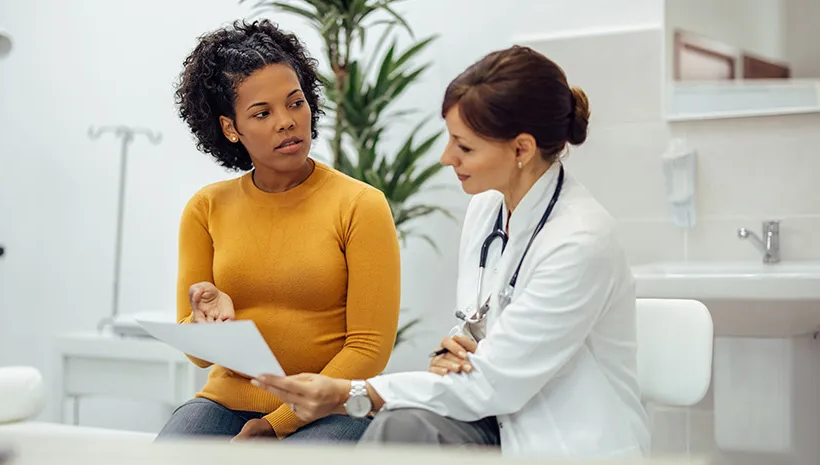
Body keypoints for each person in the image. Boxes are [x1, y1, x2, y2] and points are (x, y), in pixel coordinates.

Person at [252, 45, 651, 459]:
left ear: (521, 150)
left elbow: (493, 381)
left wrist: (349, 393)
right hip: (496, 418)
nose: (446, 158)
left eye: (464, 146)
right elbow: (473, 334)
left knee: (398, 425)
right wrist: (453, 350)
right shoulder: (487, 208)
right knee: (402, 426)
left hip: (566, 438)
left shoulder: (580, 242)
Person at [155, 19, 401, 443]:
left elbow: (368, 349)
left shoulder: (360, 205)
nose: (287, 122)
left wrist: (276, 424)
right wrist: (205, 321)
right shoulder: (206, 208)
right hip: (225, 402)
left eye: (295, 103)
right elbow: (196, 354)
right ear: (231, 128)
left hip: (331, 407)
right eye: (262, 112)